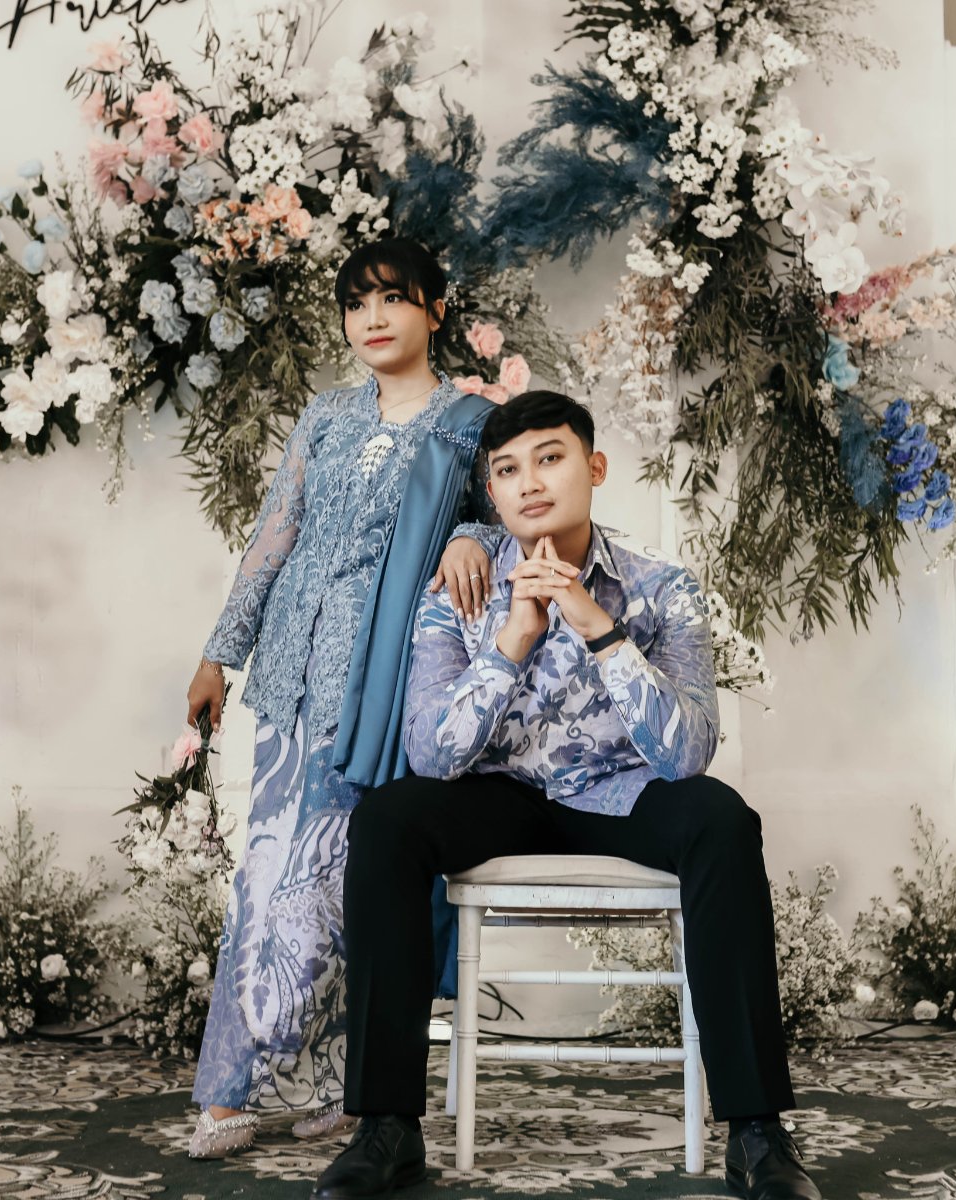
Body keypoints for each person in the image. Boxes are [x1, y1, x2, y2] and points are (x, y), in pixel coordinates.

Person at [311, 391, 821, 1200]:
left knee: (722, 820)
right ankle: (387, 1127)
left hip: (622, 795)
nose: (531, 483)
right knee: (386, 821)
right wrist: (512, 639)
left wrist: (598, 627)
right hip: (501, 794)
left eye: (550, 458)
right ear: (493, 490)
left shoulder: (665, 587)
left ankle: (757, 1133)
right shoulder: (458, 588)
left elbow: (688, 751)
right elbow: (432, 753)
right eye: (508, 469)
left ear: (595, 467)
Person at [184, 239, 501, 1157]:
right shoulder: (324, 416)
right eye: (357, 303)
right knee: (265, 875)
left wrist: (472, 535)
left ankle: (326, 1085)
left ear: (435, 311)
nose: (373, 318)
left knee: (342, 885)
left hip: (387, 681)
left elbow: (514, 513)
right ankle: (238, 1088)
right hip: (291, 669)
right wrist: (220, 655)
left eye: (393, 298)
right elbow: (273, 533)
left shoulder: (472, 424)